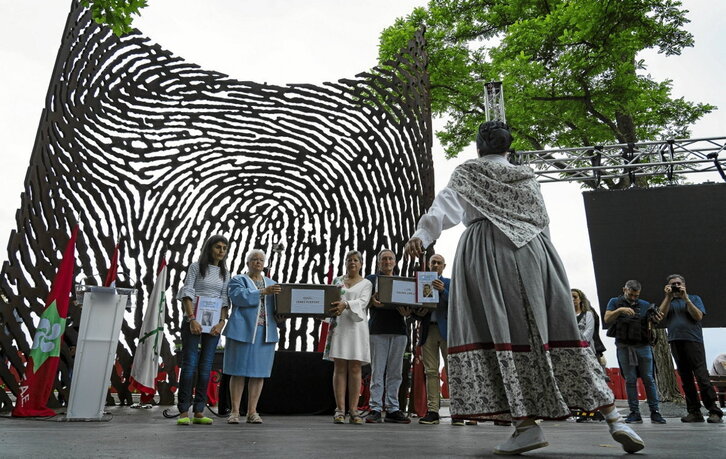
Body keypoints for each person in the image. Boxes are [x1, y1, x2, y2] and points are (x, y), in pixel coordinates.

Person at [404, 121, 644, 455]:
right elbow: (542, 222)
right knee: (553, 331)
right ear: (508, 147)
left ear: (478, 147)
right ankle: (615, 418)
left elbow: (444, 207)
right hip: (535, 253)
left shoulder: (468, 172)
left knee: (496, 334)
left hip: (487, 251)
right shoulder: (527, 177)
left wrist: (421, 236)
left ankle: (525, 427)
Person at [176, 235, 230, 425]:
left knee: (206, 367)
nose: (221, 251)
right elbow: (187, 292)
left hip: (213, 324)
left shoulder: (225, 273)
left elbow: (224, 299)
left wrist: (221, 322)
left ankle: (199, 410)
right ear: (209, 248)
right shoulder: (195, 267)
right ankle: (184, 411)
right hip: (194, 321)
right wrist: (191, 319)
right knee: (190, 364)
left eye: (224, 247)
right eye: (218, 247)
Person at [223, 249, 281, 425]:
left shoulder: (272, 283)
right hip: (242, 331)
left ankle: (252, 412)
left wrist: (282, 315)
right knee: (238, 371)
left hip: (265, 333)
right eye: (254, 259)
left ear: (265, 264)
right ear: (247, 262)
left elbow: (278, 307)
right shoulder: (238, 280)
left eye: (261, 260)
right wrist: (263, 292)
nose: (258, 262)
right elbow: (238, 298)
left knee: (258, 374)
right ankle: (234, 412)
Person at [658, 274, 724, 423]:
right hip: (675, 341)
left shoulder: (694, 298)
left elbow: (698, 316)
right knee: (686, 378)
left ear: (684, 285)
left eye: (678, 283)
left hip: (693, 341)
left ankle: (714, 411)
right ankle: (694, 412)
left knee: (702, 377)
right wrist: (668, 297)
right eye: (673, 284)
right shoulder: (669, 301)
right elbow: (660, 316)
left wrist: (685, 298)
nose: (676, 286)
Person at [604, 280, 665, 424]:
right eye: (630, 295)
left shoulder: (644, 304)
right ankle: (634, 412)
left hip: (643, 345)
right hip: (624, 346)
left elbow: (654, 322)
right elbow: (607, 319)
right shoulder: (615, 302)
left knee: (649, 379)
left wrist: (656, 318)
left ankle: (655, 412)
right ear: (624, 289)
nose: (633, 298)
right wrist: (620, 310)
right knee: (630, 379)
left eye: (636, 296)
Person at [323, 250, 373, 424]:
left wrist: (346, 304)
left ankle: (354, 410)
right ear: (345, 263)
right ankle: (339, 410)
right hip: (339, 327)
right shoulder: (337, 281)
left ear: (360, 264)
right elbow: (328, 300)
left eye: (355, 260)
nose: (352, 262)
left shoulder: (366, 283)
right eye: (349, 260)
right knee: (340, 368)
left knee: (355, 368)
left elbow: (363, 302)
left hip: (357, 328)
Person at [364, 249, 411, 424]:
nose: (387, 261)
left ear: (395, 262)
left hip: (399, 331)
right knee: (377, 371)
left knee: (395, 373)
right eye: (384, 259)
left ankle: (392, 409)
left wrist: (408, 312)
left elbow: (412, 305)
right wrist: (371, 302)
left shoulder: (403, 282)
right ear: (378, 263)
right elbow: (362, 301)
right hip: (378, 330)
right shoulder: (371, 280)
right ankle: (375, 408)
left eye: (390, 258)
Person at [413, 254, 449, 425]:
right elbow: (415, 307)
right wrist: (416, 313)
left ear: (444, 266)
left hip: (447, 331)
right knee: (431, 372)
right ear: (428, 265)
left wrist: (443, 290)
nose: (435, 265)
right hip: (428, 331)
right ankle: (433, 410)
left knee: (452, 371)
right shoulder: (421, 283)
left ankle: (457, 411)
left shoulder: (449, 283)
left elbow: (456, 304)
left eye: (439, 263)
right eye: (433, 262)